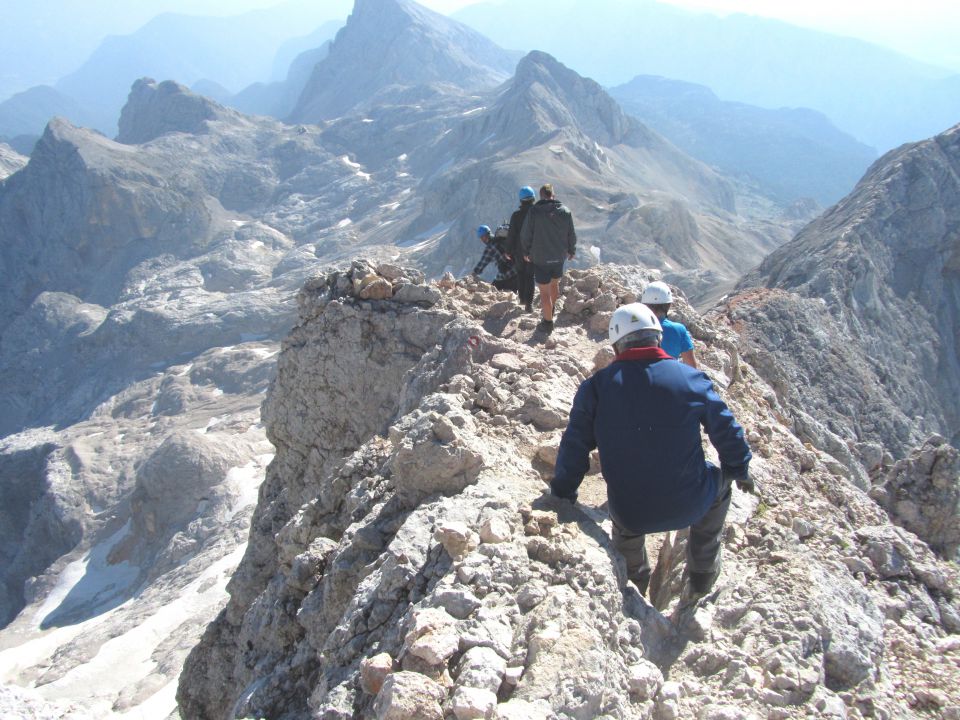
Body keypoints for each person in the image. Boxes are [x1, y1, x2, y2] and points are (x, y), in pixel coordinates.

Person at [551, 303, 753, 599]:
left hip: (631, 511)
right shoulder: (691, 379)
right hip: (692, 503)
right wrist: (739, 468)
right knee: (721, 485)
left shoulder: (596, 388)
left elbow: (575, 446)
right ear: (658, 338)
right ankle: (702, 573)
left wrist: (563, 493)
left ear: (617, 346)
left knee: (626, 525)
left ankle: (635, 583)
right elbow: (728, 431)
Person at [520, 184, 576, 333]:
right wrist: (571, 250)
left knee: (544, 291)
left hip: (540, 258)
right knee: (554, 285)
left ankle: (547, 322)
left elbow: (526, 234)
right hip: (559, 257)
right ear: (553, 195)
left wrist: (526, 251)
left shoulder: (534, 212)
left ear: (541, 195)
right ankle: (550, 312)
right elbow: (571, 233)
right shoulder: (565, 211)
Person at [641, 281, 698, 367]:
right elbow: (692, 368)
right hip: (669, 378)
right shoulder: (679, 330)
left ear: (644, 304)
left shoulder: (634, 328)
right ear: (669, 305)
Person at [506, 186, 537, 313]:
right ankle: (529, 304)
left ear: (521, 200)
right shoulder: (537, 214)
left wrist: (508, 250)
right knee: (530, 275)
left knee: (520, 273)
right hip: (533, 250)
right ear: (533, 198)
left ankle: (522, 298)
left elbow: (511, 234)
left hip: (519, 251)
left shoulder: (516, 215)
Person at [472, 225, 517, 291]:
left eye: (482, 237)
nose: (482, 240)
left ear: (486, 235)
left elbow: (482, 263)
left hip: (509, 274)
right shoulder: (501, 240)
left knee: (493, 289)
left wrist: (473, 274)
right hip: (519, 268)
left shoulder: (491, 247)